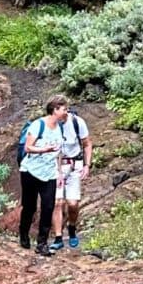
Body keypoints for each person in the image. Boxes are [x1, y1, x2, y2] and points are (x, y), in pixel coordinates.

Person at [15, 97, 81, 255]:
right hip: (30, 171)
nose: (66, 113)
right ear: (55, 109)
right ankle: (24, 234)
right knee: (30, 206)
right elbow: (28, 147)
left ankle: (42, 243)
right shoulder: (38, 125)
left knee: (48, 206)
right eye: (64, 109)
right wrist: (44, 150)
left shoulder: (60, 127)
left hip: (50, 173)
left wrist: (59, 173)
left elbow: (59, 152)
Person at [53, 101, 92, 248]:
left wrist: (87, 165)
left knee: (72, 203)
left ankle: (72, 228)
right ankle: (58, 237)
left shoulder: (77, 122)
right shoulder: (50, 123)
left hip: (74, 165)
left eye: (63, 109)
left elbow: (87, 144)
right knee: (57, 202)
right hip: (55, 166)